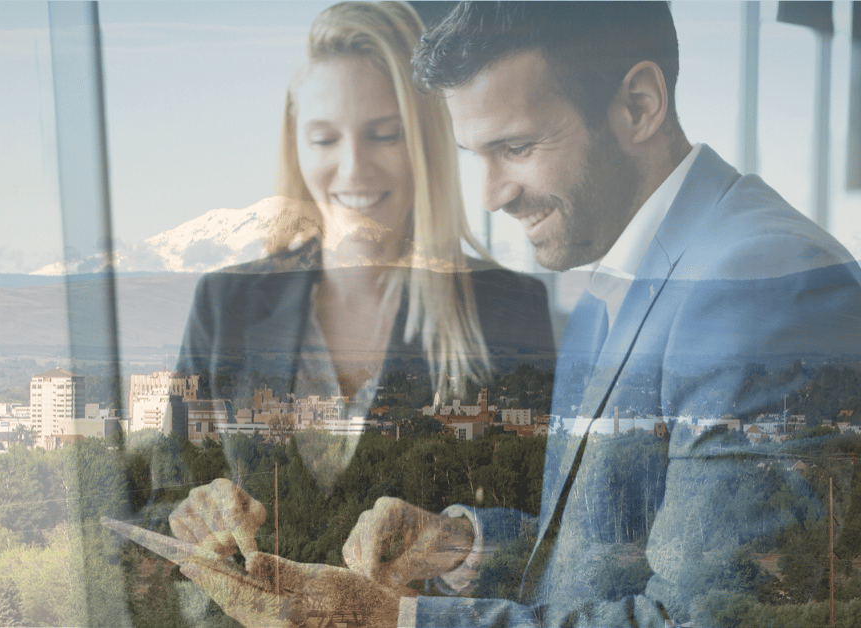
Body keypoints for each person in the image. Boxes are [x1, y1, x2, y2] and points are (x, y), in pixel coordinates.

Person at [171, 2, 861, 627]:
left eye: (518, 148)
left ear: (641, 104)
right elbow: (603, 552)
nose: (493, 193)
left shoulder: (762, 290)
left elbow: (702, 619)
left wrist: (392, 622)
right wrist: (464, 545)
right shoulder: (617, 278)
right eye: (479, 154)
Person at [166, 2, 553, 625]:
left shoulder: (508, 313)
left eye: (384, 133)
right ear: (297, 144)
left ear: (428, 141)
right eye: (326, 138)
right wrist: (193, 514)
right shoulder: (225, 305)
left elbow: (548, 544)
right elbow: (162, 494)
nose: (353, 169)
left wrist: (455, 543)